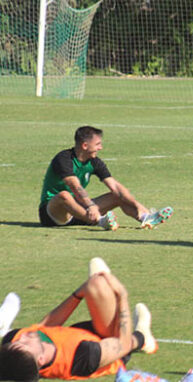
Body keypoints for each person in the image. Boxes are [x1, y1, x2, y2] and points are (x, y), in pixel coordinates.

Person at [0, 258, 157, 381]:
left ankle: (102, 290)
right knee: (98, 284)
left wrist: (78, 295)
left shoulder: (14, 344)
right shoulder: (83, 357)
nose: (21, 337)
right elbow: (122, 345)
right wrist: (122, 296)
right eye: (24, 344)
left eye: (16, 342)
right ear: (41, 360)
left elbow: (46, 326)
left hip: (82, 333)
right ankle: (144, 338)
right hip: (113, 349)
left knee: (94, 284)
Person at [39, 126, 173, 231]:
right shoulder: (63, 159)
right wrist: (91, 206)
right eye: (97, 144)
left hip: (80, 211)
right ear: (85, 146)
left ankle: (146, 218)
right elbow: (74, 186)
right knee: (65, 195)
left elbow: (116, 187)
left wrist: (137, 205)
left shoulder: (95, 162)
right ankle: (101, 221)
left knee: (116, 195)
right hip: (53, 214)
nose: (100, 147)